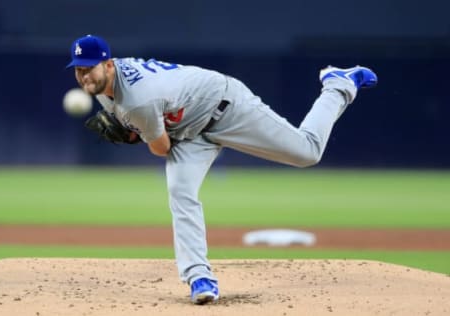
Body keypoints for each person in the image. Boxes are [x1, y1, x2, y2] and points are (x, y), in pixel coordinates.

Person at [66, 34, 377, 304]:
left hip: (227, 107)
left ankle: (338, 84)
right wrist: (136, 129)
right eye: (78, 70)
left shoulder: (137, 100)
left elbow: (160, 148)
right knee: (180, 190)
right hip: (188, 130)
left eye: (89, 68)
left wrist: (134, 133)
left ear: (108, 64)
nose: (83, 77)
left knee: (307, 152)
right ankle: (199, 278)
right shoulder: (108, 87)